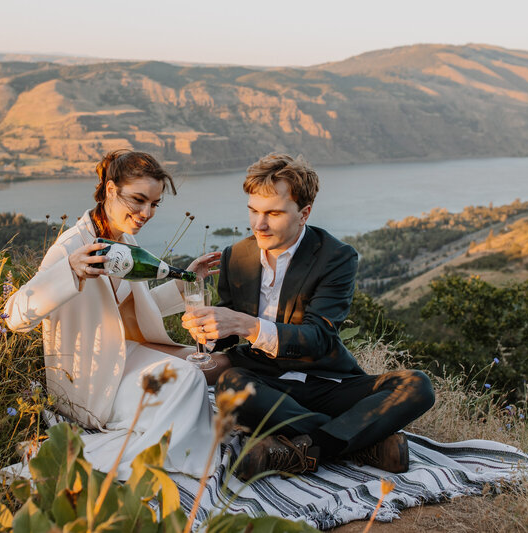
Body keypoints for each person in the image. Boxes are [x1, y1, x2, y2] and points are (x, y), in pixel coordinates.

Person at [182, 153, 435, 480]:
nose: (259, 224)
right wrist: (210, 330)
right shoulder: (236, 256)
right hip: (266, 383)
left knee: (418, 385)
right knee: (231, 386)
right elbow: (228, 336)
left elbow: (319, 338)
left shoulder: (336, 257)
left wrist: (246, 324)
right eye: (253, 211)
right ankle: (362, 442)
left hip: (328, 382)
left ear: (304, 213)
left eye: (273, 213)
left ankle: (298, 449)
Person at [4, 150, 223, 480]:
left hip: (123, 356)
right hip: (89, 376)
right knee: (190, 381)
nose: (146, 212)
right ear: (110, 190)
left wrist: (185, 281)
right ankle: (123, 466)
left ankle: (168, 451)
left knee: (191, 378)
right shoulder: (69, 248)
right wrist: (70, 272)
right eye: (138, 200)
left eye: (154, 204)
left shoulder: (125, 241)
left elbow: (134, 310)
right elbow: (14, 316)